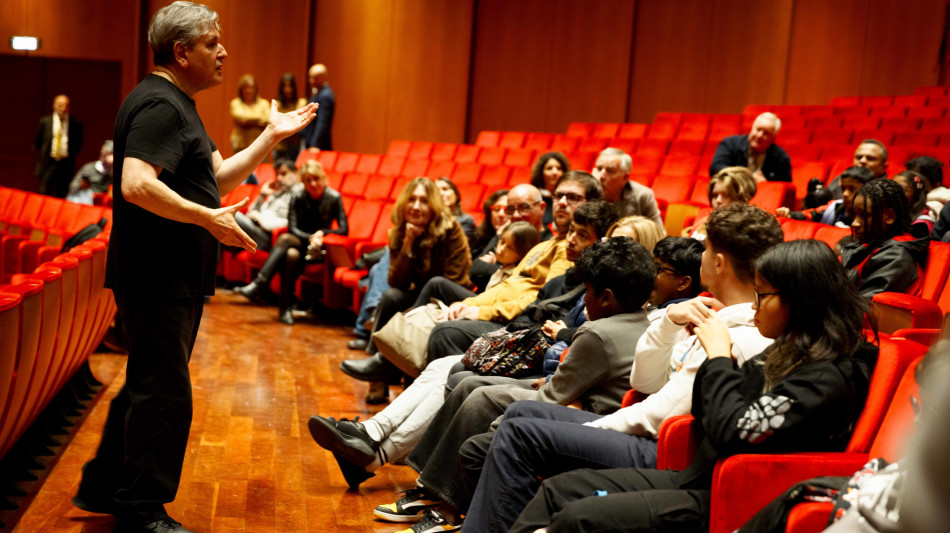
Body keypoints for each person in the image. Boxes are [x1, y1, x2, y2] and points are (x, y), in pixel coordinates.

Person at [72, 3, 318, 532]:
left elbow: (217, 178)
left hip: (166, 275)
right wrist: (206, 218)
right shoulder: (160, 104)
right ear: (181, 52)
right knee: (165, 393)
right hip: (157, 275)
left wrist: (270, 136)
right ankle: (141, 509)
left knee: (149, 382)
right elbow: (136, 184)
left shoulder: (177, 103)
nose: (223, 51)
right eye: (212, 42)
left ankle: (104, 485)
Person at [401, 204, 780, 531]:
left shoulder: (736, 334)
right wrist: (668, 322)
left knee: (520, 433)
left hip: (666, 449)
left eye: (706, 248)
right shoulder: (709, 313)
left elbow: (658, 416)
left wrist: (588, 428)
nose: (701, 258)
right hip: (651, 429)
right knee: (518, 413)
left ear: (718, 262)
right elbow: (645, 380)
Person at [507, 239, 878, 533]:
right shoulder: (789, 349)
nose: (753, 307)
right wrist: (698, 349)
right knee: (557, 490)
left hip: (725, 499)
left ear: (800, 302)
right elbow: (703, 411)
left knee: (578, 518)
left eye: (763, 295)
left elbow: (733, 430)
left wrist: (718, 357)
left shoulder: (830, 375)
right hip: (695, 478)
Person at [340, 178, 473, 393]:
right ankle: (378, 377)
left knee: (435, 283)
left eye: (424, 201)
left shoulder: (451, 229)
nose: (416, 206)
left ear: (434, 206)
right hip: (421, 294)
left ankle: (382, 362)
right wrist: (408, 243)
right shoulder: (402, 230)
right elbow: (396, 281)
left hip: (449, 297)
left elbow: (454, 279)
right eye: (412, 200)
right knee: (391, 297)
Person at [235, 159, 347, 324]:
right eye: (308, 180)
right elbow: (293, 229)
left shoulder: (334, 197)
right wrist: (311, 237)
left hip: (320, 248)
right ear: (303, 182)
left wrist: (322, 234)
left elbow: (344, 229)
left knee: (289, 250)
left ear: (323, 178)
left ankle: (264, 289)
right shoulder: (297, 196)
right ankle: (282, 306)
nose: (313, 184)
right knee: (290, 251)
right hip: (301, 241)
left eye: (316, 179)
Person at [841, 178, 929, 298]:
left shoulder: (896, 257)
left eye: (864, 215)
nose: (854, 223)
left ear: (890, 216)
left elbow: (863, 305)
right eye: (855, 215)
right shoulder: (868, 245)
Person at [233, 158, 302, 252]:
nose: (279, 178)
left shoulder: (299, 194)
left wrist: (260, 220)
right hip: (255, 230)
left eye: (283, 174)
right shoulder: (277, 193)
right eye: (277, 175)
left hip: (270, 239)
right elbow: (250, 213)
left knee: (232, 215)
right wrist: (263, 195)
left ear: (296, 173)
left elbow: (288, 222)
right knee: (220, 233)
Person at [776, 166, 874, 227]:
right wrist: (789, 215)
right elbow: (809, 215)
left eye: (852, 189)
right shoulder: (834, 207)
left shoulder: (873, 216)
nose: (845, 194)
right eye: (843, 188)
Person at [591, 147, 664, 229]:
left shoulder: (642, 196)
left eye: (610, 171)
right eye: (599, 169)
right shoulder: (587, 192)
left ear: (625, 177)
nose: (601, 176)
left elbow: (659, 232)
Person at [709, 112, 791, 182]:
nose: (759, 135)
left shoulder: (781, 157)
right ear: (752, 128)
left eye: (766, 133)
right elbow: (716, 168)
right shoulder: (730, 144)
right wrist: (743, 177)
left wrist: (767, 185)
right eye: (758, 129)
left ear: (773, 138)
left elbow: (785, 186)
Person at [684, 166, 757, 238]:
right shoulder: (702, 223)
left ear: (743, 199)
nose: (718, 200)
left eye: (726, 195)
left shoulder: (750, 231)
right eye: (715, 195)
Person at [34, 94, 84, 198]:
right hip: (48, 163)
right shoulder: (45, 121)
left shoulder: (76, 123)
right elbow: (38, 142)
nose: (63, 108)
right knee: (44, 193)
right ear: (54, 106)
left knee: (63, 194)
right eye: (60, 105)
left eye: (66, 105)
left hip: (66, 165)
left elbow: (78, 144)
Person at [229, 73, 270, 154]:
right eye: (245, 87)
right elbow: (241, 118)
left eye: (251, 87)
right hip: (241, 146)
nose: (248, 90)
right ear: (241, 90)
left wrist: (248, 122)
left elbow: (267, 119)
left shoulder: (264, 103)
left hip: (260, 145)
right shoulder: (236, 103)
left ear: (256, 89)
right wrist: (259, 121)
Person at [272, 72, 308, 162]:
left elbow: (303, 124)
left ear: (294, 88)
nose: (287, 89)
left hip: (296, 145)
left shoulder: (301, 103)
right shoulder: (277, 105)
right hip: (280, 146)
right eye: (284, 86)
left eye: (290, 86)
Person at [66, 140, 114, 205]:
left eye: (111, 154)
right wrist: (80, 186)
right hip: (85, 199)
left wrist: (112, 167)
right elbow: (72, 187)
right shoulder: (88, 168)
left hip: (103, 202)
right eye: (105, 154)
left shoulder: (114, 173)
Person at [530, 152, 570, 226]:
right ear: (541, 173)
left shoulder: (569, 198)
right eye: (549, 168)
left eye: (559, 168)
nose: (555, 172)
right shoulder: (533, 198)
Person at [302, 63, 335, 151]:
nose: (311, 81)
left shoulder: (325, 96)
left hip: (318, 146)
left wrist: (315, 144)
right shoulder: (319, 92)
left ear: (323, 77)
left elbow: (323, 122)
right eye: (310, 77)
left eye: (315, 78)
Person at [468, 189, 509, 258]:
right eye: (496, 209)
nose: (501, 214)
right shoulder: (478, 234)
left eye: (507, 209)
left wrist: (499, 235)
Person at [892, 170, 934, 237]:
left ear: (916, 193)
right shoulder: (894, 214)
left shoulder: (922, 224)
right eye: (892, 188)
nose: (893, 193)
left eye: (900, 189)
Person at [435, 176, 475, 243]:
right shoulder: (429, 219)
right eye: (436, 191)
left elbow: (459, 244)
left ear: (456, 195)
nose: (440, 193)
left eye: (445, 189)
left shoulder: (465, 220)